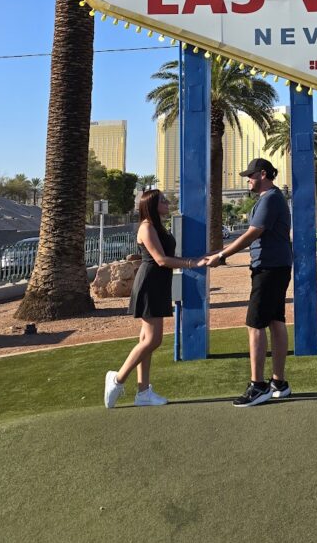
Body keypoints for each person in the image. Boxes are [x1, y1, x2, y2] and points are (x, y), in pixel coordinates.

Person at [202, 157, 293, 408]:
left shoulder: (271, 198)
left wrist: (222, 255)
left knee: (255, 324)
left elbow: (254, 232)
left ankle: (258, 385)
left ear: (263, 174)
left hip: (269, 268)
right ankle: (279, 383)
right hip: (274, 266)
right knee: (275, 321)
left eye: (250, 176)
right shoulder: (269, 199)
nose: (248, 180)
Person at [103, 188, 202, 409]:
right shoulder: (146, 228)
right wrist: (192, 263)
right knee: (153, 340)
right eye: (163, 201)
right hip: (149, 285)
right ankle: (117, 379)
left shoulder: (158, 227)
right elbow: (161, 260)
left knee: (146, 341)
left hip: (159, 284)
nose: (167, 203)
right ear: (151, 205)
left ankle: (143, 392)